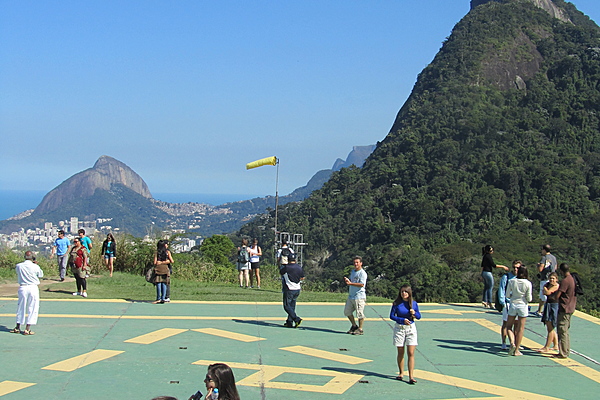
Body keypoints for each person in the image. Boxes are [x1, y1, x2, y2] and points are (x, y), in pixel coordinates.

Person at [390, 285, 421, 384]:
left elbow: (419, 316)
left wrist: (414, 313)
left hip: (411, 329)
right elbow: (392, 316)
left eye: (406, 292)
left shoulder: (413, 303)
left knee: (411, 352)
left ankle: (411, 376)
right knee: (400, 352)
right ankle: (401, 373)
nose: (404, 293)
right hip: (399, 329)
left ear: (409, 293)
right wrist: (401, 320)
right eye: (402, 291)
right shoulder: (396, 303)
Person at [11, 251, 44, 335]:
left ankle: (17, 327)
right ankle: (27, 328)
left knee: (21, 306)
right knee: (33, 307)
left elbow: (18, 272)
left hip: (23, 287)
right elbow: (40, 275)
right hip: (33, 287)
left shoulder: (19, 266)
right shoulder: (35, 266)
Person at [506, 265, 532, 356]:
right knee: (520, 328)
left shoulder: (511, 281)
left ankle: (512, 342)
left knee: (509, 326)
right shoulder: (528, 283)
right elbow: (529, 298)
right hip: (523, 305)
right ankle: (517, 349)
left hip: (513, 304)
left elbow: (507, 295)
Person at [555, 263, 577, 359]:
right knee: (566, 331)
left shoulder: (565, 281)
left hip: (564, 308)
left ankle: (563, 352)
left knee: (562, 330)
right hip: (571, 307)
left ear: (561, 271)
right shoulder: (572, 279)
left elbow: (558, 295)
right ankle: (566, 350)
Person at [498, 260, 521, 350]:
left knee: (517, 324)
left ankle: (515, 343)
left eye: (517, 268)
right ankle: (504, 342)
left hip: (517, 303)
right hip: (508, 303)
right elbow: (502, 288)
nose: (515, 269)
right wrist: (502, 302)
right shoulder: (506, 277)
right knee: (506, 323)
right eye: (514, 267)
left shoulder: (521, 278)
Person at [344, 256, 368, 335]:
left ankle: (360, 329)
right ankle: (354, 325)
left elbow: (361, 284)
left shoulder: (362, 273)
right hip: (351, 296)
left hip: (359, 296)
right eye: (354, 262)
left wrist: (350, 283)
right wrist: (348, 281)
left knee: (360, 313)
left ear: (361, 263)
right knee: (347, 312)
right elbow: (352, 281)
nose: (356, 264)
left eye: (357, 262)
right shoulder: (353, 272)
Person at [280, 252, 305, 328]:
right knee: (292, 306)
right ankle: (289, 322)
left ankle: (296, 319)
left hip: (289, 288)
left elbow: (281, 272)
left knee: (286, 306)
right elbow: (302, 277)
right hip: (297, 288)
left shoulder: (286, 267)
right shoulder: (299, 267)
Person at [537, 272, 560, 353]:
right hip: (548, 304)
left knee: (550, 327)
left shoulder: (556, 286)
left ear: (556, 279)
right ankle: (556, 345)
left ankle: (547, 347)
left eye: (553, 278)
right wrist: (545, 289)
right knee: (549, 326)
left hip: (554, 306)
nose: (551, 280)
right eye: (550, 278)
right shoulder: (548, 285)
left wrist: (545, 288)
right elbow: (544, 292)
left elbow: (547, 292)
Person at [533, 244, 558, 317]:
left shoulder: (544, 258)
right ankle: (546, 310)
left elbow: (540, 269)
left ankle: (539, 311)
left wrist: (538, 265)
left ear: (544, 250)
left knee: (543, 295)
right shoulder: (553, 257)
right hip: (552, 277)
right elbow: (555, 267)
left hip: (545, 278)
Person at [153, 240, 173, 304]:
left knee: (158, 283)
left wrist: (160, 262)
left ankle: (158, 298)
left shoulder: (157, 252)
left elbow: (155, 262)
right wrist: (164, 262)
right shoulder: (167, 252)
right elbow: (172, 261)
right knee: (164, 283)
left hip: (158, 269)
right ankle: (163, 298)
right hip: (165, 269)